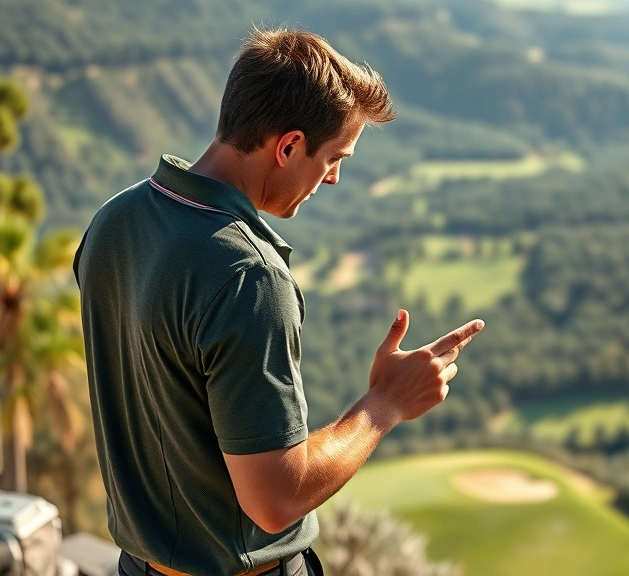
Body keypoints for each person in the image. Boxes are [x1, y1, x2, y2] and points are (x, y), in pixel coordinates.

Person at [73, 28, 484, 576]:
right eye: (335, 157)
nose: (333, 178)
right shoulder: (248, 276)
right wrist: (386, 403)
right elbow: (275, 501)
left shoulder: (113, 222)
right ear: (288, 146)